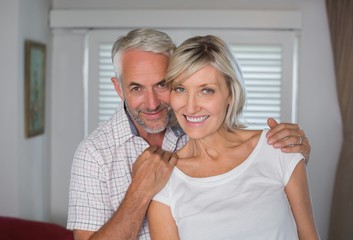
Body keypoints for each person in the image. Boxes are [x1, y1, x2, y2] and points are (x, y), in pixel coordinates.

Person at [67, 28, 312, 240]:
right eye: (136, 88)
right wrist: (140, 190)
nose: (152, 103)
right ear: (118, 88)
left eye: (162, 85)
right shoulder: (94, 154)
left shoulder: (198, 121)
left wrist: (293, 158)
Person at [148, 35, 318, 239]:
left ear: (230, 93)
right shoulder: (165, 179)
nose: (191, 107)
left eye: (206, 90)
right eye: (180, 89)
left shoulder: (277, 147)